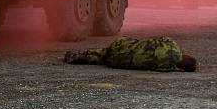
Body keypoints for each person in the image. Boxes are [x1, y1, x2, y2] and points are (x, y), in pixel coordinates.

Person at [64, 36, 198, 72]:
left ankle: (79, 55)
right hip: (119, 61)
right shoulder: (166, 66)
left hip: (124, 44)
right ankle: (80, 57)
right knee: (104, 57)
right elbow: (168, 69)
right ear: (181, 68)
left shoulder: (172, 44)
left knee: (106, 51)